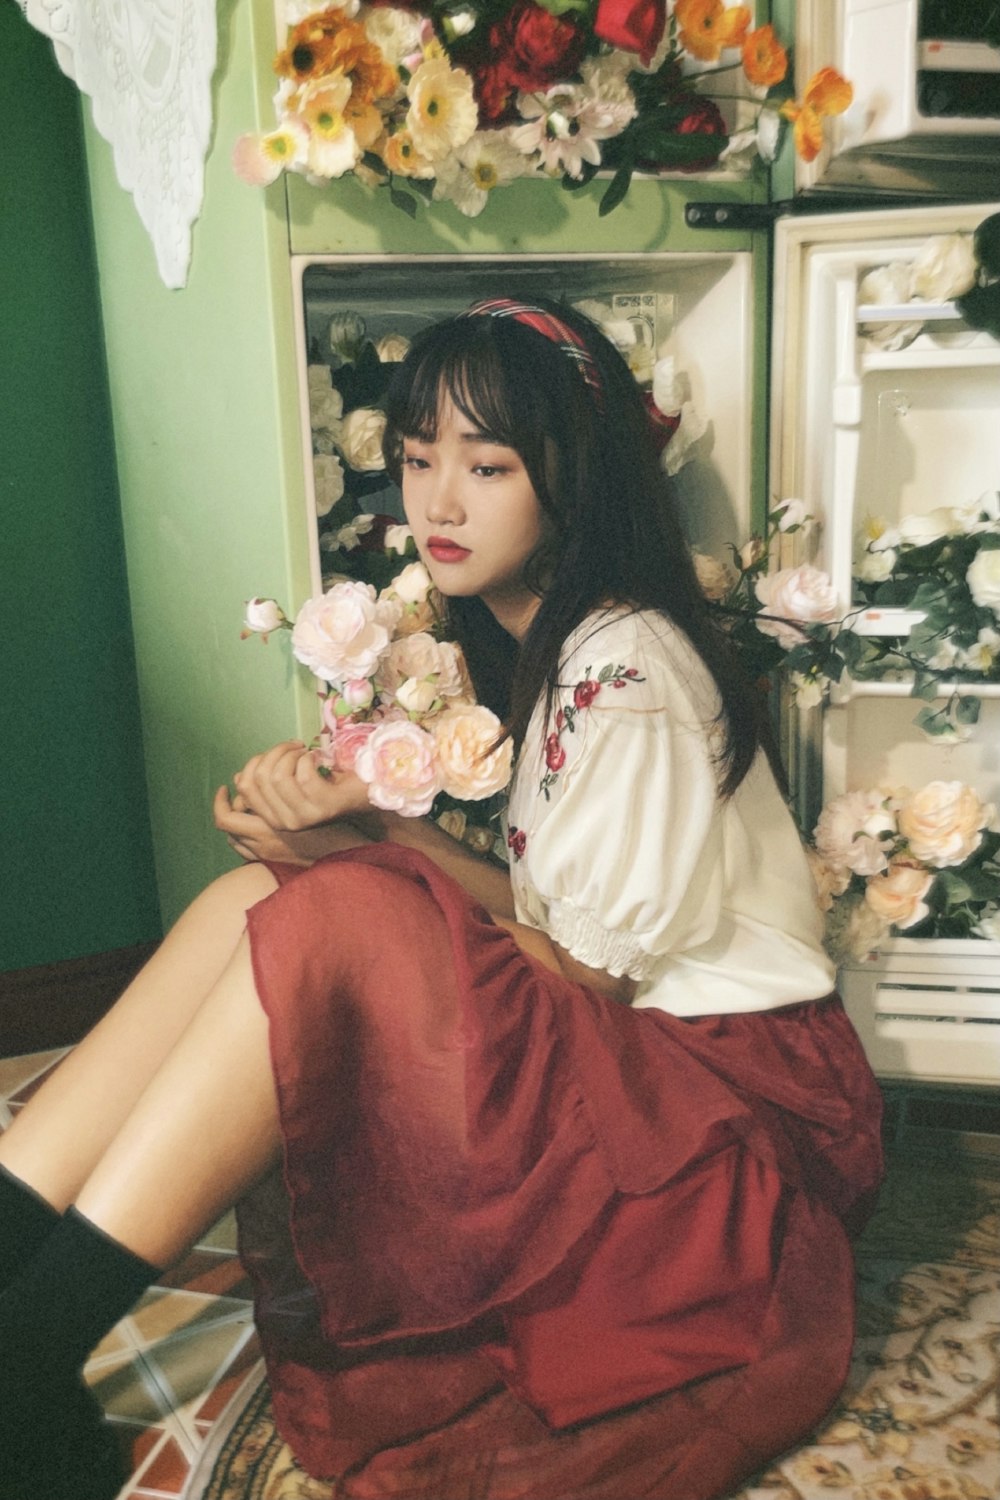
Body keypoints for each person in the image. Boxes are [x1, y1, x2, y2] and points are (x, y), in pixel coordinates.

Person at [0, 297, 884, 1500]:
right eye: (418, 461)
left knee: (338, 915)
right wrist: (354, 831)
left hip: (727, 1119)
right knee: (273, 893)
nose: (439, 503)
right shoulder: (560, 640)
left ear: (575, 477)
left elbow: (589, 973)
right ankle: (18, 1296)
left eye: (490, 465)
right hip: (643, 1056)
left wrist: (372, 865)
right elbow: (543, 911)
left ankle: (34, 1340)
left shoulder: (626, 667)